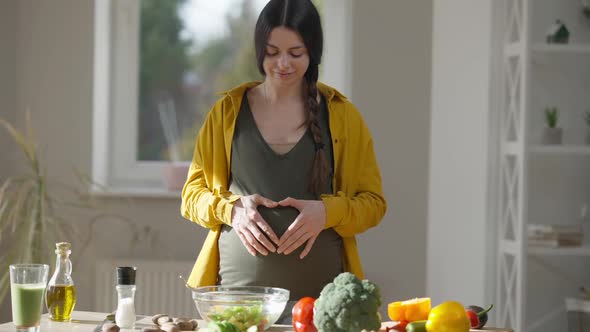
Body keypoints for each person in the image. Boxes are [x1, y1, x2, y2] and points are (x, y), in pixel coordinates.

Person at [180, 0, 386, 322]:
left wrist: (327, 212)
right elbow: (191, 196)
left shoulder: (342, 116)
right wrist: (231, 210)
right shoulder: (227, 113)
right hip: (235, 308)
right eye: (272, 52)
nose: (282, 64)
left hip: (322, 310)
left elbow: (373, 203)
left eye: (296, 52)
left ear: (312, 52)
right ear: (260, 49)